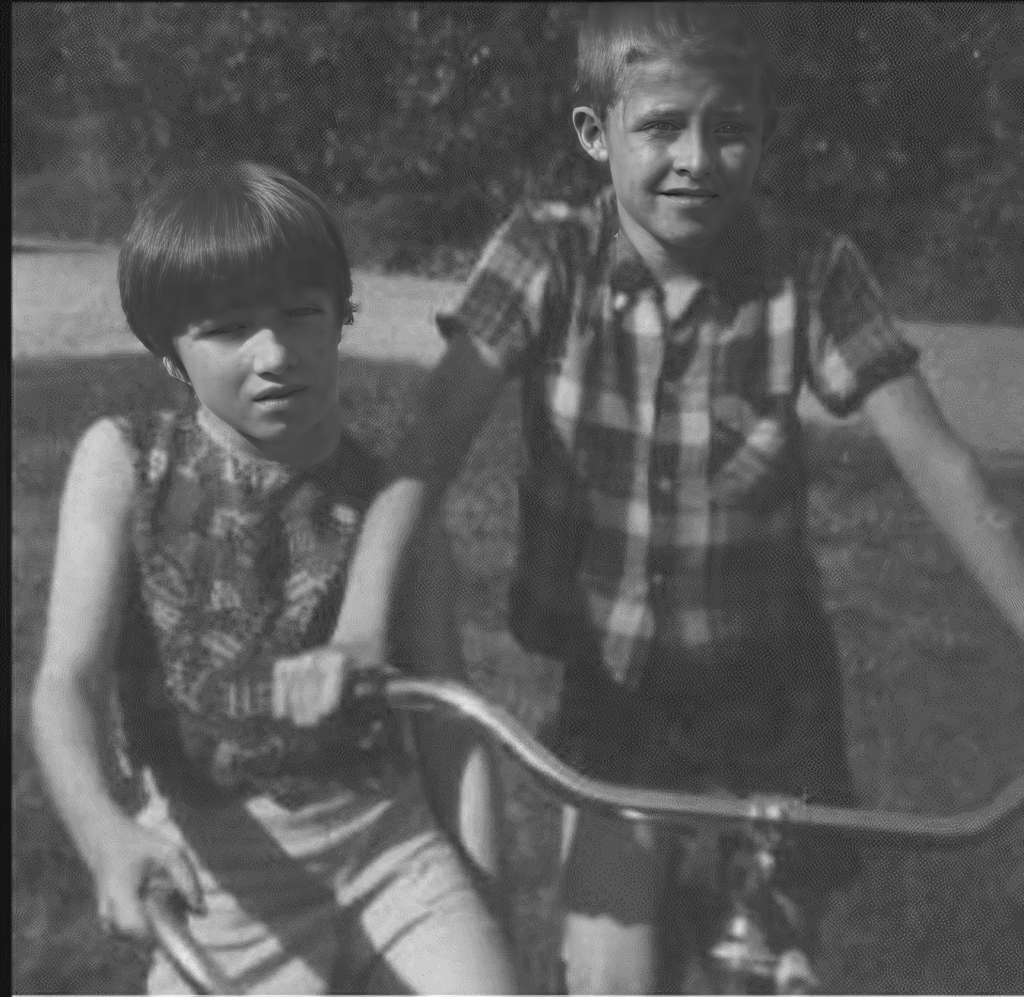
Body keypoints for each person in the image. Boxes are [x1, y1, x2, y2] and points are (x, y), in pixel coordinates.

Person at [319, 3, 1024, 992]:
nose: (697, 158)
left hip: (770, 697)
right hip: (617, 695)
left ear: (763, 131)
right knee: (608, 970)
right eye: (660, 126)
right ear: (594, 132)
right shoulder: (546, 257)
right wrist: (360, 627)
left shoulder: (809, 268)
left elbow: (944, 467)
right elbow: (427, 452)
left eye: (729, 127)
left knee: (766, 964)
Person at [30, 161, 517, 995]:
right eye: (228, 329)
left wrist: (488, 898)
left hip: (391, 847)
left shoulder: (392, 499)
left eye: (301, 314)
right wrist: (105, 833)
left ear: (341, 316)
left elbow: (449, 714)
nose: (277, 353)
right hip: (224, 868)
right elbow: (65, 681)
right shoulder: (126, 464)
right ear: (170, 353)